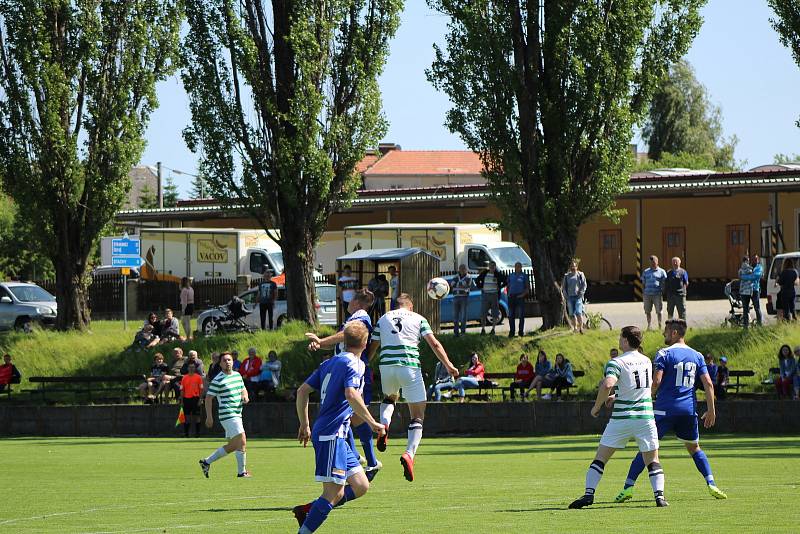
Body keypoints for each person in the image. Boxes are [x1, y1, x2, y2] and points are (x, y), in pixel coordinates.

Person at [614, 319, 727, 504]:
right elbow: (708, 383)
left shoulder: (664, 353)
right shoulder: (697, 355)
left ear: (674, 333)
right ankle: (711, 483)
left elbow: (656, 382)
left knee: (647, 448)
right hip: (688, 411)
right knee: (694, 448)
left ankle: (628, 487)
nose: (663, 334)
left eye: (666, 331)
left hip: (664, 410)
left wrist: (643, 398)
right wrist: (711, 410)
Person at [292, 321, 385, 533]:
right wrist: (372, 422)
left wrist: (305, 424)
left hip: (336, 434)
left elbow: (302, 391)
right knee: (335, 493)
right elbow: (351, 394)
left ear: (343, 340)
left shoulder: (329, 363)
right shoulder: (356, 364)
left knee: (361, 485)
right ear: (365, 342)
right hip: (331, 434)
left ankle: (309, 510)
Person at [569, 326, 667, 509]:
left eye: (620, 337)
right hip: (645, 417)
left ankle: (589, 494)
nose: (619, 340)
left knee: (600, 458)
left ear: (625, 340)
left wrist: (597, 406)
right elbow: (640, 386)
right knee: (653, 460)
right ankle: (659, 497)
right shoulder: (646, 360)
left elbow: (607, 384)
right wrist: (618, 395)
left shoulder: (616, 362)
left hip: (622, 418)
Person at [368, 293, 459, 482]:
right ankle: (409, 454)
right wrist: (449, 365)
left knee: (390, 397)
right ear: (411, 306)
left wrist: (362, 365)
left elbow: (373, 346)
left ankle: (384, 426)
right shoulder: (418, 318)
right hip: (409, 366)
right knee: (417, 415)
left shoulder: (384, 318)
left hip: (387, 366)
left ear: (395, 306)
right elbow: (434, 343)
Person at [305, 290, 382, 478]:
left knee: (351, 412)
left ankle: (369, 461)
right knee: (347, 414)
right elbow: (341, 339)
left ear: (357, 301)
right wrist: (321, 344)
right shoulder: (354, 318)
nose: (347, 302)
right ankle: (360, 458)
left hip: (353, 370)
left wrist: (321, 341)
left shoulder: (361, 316)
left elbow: (346, 336)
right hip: (343, 367)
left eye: (350, 298)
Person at [200, 352, 250, 478]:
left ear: (233, 362)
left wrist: (245, 395)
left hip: (237, 414)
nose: (227, 362)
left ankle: (206, 462)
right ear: (220, 363)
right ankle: (242, 472)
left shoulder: (237, 375)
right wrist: (209, 417)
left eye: (229, 360)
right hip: (228, 414)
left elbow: (243, 388)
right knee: (242, 440)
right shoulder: (218, 379)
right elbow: (208, 398)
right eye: (224, 360)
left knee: (234, 445)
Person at [475, 261, 507, 335]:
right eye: (490, 266)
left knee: (495, 312)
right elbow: (477, 280)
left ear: (495, 267)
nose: (492, 267)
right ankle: (483, 329)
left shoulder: (498, 274)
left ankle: (493, 329)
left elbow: (506, 280)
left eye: (493, 266)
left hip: (494, 295)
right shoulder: (484, 273)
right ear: (489, 267)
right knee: (483, 312)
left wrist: (500, 287)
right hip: (485, 295)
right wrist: (480, 287)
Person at [642, 255, 667, 331]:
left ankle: (659, 326)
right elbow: (643, 283)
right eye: (651, 262)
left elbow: (664, 282)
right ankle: (649, 326)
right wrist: (644, 292)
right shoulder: (646, 271)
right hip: (647, 294)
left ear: (657, 262)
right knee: (647, 311)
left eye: (654, 262)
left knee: (659, 311)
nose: (652, 263)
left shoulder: (662, 272)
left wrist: (663, 290)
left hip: (657, 294)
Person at [562, 260, 587, 334]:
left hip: (578, 297)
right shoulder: (567, 276)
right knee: (572, 313)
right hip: (570, 297)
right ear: (570, 267)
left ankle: (581, 328)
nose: (573, 267)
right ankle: (575, 328)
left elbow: (584, 285)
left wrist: (581, 292)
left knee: (579, 312)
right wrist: (565, 295)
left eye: (574, 266)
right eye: (572, 266)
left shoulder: (580, 274)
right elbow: (564, 287)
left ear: (577, 266)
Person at [181, 362, 204, 438]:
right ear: (187, 368)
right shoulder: (184, 378)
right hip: (186, 399)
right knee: (186, 417)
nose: (191, 369)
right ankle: (186, 433)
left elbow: (201, 389)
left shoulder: (198, 377)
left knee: (197, 416)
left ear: (195, 368)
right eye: (190, 367)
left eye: (193, 367)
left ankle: (198, 433)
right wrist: (182, 401)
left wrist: (200, 399)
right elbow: (182, 389)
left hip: (195, 398)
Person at [506, 262, 530, 337]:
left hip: (520, 297)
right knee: (511, 315)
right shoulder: (511, 275)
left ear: (521, 267)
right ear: (514, 267)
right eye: (516, 266)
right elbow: (508, 285)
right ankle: (512, 332)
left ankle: (520, 332)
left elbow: (527, 288)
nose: (518, 267)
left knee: (521, 315)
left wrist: (522, 295)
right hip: (511, 297)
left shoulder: (524, 276)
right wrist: (508, 294)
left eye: (519, 266)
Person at [449, 264, 472, 337]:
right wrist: (460, 284)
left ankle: (463, 332)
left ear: (466, 269)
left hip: (464, 297)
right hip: (456, 297)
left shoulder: (468, 277)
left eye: (463, 268)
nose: (462, 270)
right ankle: (456, 333)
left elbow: (467, 285)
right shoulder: (456, 276)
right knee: (455, 316)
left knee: (463, 316)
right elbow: (452, 285)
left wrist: (458, 283)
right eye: (460, 268)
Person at [738, 256, 755, 329]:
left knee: (744, 308)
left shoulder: (740, 270)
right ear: (747, 261)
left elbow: (739, 278)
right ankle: (748, 322)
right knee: (748, 307)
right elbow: (752, 277)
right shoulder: (750, 269)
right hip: (748, 291)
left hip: (742, 291)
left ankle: (745, 324)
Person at [748, 254, 764, 326]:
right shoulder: (748, 267)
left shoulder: (759, 267)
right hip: (747, 289)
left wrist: (748, 276)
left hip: (755, 289)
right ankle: (747, 322)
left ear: (758, 260)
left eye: (756, 259)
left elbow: (756, 276)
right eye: (754, 259)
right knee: (746, 307)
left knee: (757, 307)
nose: (755, 260)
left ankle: (759, 323)